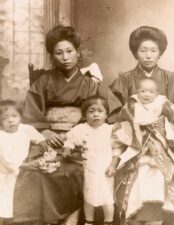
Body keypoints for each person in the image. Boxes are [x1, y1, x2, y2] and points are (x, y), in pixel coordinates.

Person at [13, 25, 121, 225]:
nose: (65, 57)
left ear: (78, 53)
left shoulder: (90, 84)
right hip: (48, 138)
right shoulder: (43, 81)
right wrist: (44, 131)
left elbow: (109, 110)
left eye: (70, 51)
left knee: (75, 170)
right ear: (52, 56)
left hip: (81, 139)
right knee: (36, 170)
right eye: (59, 53)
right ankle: (43, 220)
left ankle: (72, 219)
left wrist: (80, 133)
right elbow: (32, 111)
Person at [111, 78, 174, 225]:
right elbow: (121, 124)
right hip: (137, 148)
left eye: (151, 92)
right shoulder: (131, 105)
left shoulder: (163, 103)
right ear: (137, 92)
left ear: (157, 93)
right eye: (143, 91)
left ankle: (155, 217)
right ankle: (134, 215)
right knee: (135, 182)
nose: (146, 95)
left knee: (158, 182)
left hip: (160, 148)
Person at [63, 96, 116, 225]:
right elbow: (70, 139)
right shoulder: (81, 129)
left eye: (100, 111)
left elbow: (116, 150)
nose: (95, 115)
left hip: (105, 169)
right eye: (91, 111)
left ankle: (109, 221)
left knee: (107, 197)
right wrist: (67, 148)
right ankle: (89, 221)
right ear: (85, 114)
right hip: (90, 169)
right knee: (89, 196)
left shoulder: (110, 130)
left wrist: (113, 165)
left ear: (106, 114)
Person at [0, 100, 46, 224]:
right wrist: (24, 165)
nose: (11, 120)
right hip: (5, 171)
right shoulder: (1, 136)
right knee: (4, 198)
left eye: (14, 116)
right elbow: (5, 159)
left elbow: (37, 137)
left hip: (21, 168)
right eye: (4, 118)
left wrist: (41, 142)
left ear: (20, 116)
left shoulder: (25, 129)